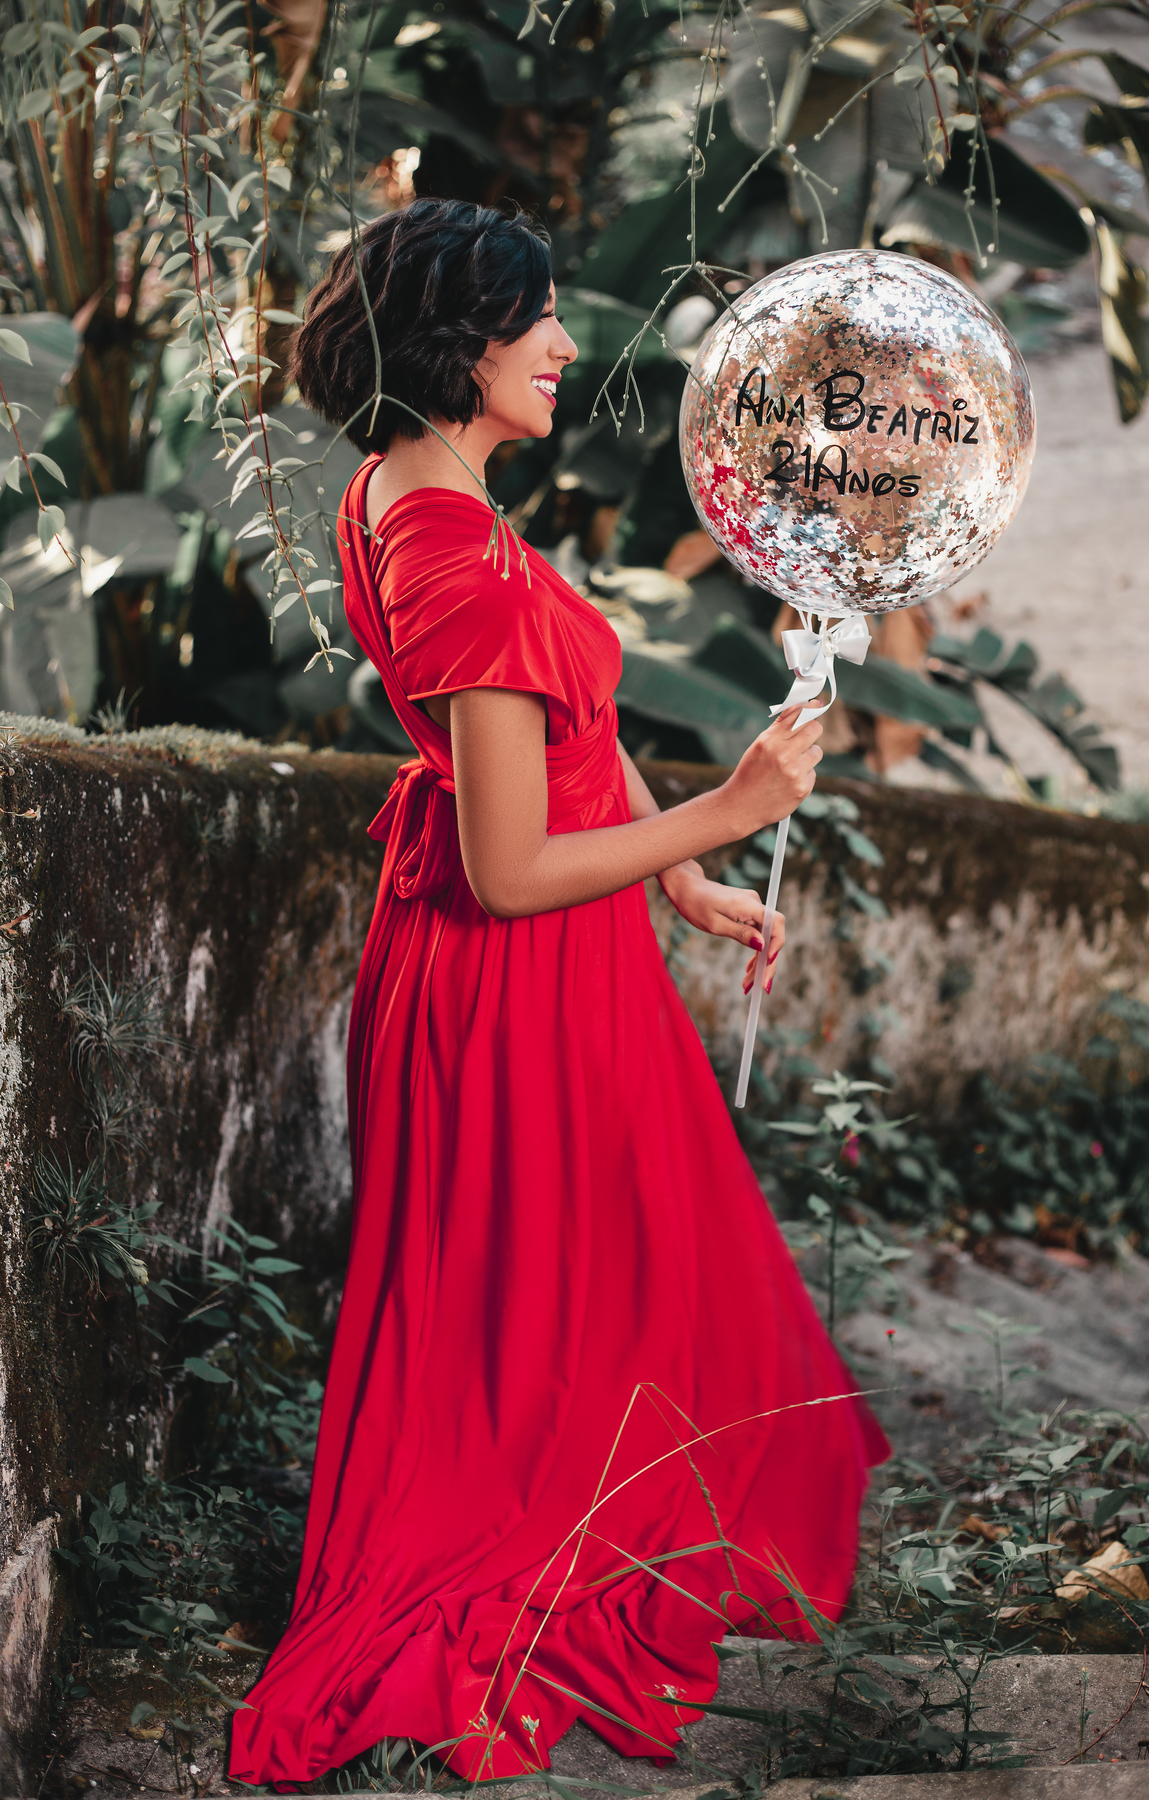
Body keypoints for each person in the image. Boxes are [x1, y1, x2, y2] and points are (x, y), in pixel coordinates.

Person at [228, 198, 887, 1792]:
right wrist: (726, 814)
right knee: (548, 1296)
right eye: (538, 321)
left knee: (584, 1281)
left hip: (531, 958)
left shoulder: (413, 497)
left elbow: (541, 747)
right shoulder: (445, 545)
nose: (567, 346)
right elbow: (511, 861)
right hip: (510, 966)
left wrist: (674, 872)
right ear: (463, 346)